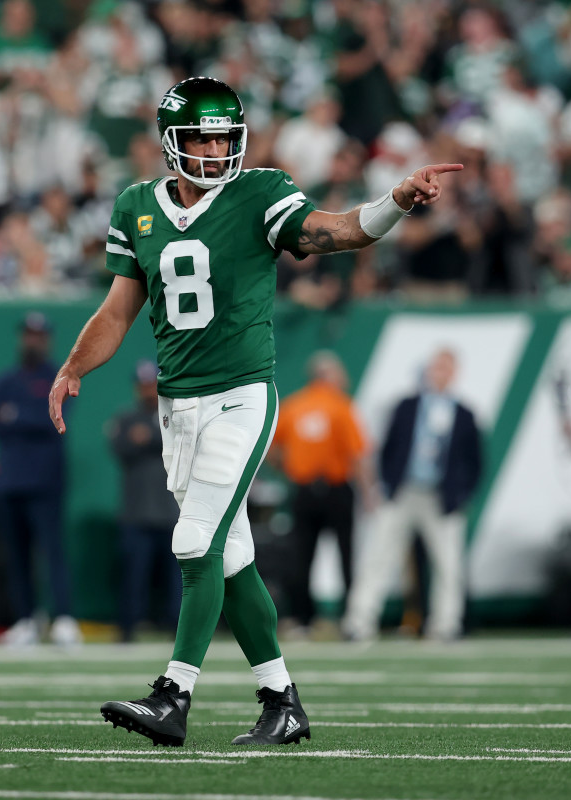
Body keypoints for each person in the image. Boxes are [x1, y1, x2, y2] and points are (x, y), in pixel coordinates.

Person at [47, 76, 461, 747]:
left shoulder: (259, 191)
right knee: (231, 557)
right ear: (171, 143)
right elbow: (119, 308)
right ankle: (282, 701)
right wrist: (73, 367)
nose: (215, 149)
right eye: (202, 136)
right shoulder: (134, 207)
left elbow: (333, 232)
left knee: (194, 542)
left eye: (224, 136)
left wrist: (395, 202)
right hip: (177, 407)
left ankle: (174, 694)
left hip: (240, 394)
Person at [342, 349, 483, 642]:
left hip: (440, 497)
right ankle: (359, 621)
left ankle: (446, 624)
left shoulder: (465, 413)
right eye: (437, 367)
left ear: (455, 373)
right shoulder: (406, 406)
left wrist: (461, 495)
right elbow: (389, 448)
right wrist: (386, 485)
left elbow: (475, 461)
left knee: (448, 563)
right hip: (403, 491)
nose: (440, 373)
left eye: (446, 368)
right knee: (378, 556)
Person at [0, 312, 79, 648]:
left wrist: (17, 415)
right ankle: (26, 620)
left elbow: (53, 418)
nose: (32, 340)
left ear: (47, 339)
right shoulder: (5, 381)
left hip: (46, 482)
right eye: (28, 334)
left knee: (52, 551)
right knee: (17, 554)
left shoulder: (59, 377)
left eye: (39, 335)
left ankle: (64, 619)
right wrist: (31, 416)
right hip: (10, 481)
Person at [270, 351, 371, 635]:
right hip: (336, 488)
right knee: (346, 555)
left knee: (302, 556)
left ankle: (303, 619)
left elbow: (270, 447)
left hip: (304, 489)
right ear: (329, 376)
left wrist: (287, 468)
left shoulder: (294, 405)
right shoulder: (341, 406)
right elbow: (358, 454)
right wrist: (369, 492)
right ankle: (353, 619)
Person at [107, 360, 181, 642]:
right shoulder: (126, 418)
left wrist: (148, 438)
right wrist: (154, 439)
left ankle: (179, 631)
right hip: (136, 513)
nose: (148, 390)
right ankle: (127, 628)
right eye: (144, 384)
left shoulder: (174, 415)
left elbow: (182, 442)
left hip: (171, 511)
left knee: (178, 579)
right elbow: (120, 446)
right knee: (133, 575)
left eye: (152, 383)